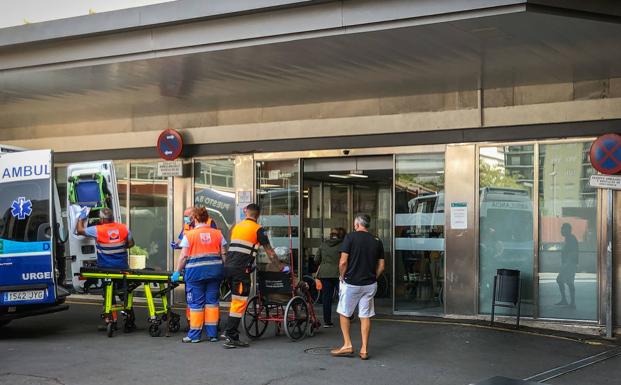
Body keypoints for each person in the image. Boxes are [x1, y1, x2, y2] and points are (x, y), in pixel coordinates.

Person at [222, 203, 277, 348]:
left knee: (235, 301)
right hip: (240, 270)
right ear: (258, 215)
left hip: (228, 267)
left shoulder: (237, 227)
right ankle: (231, 335)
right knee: (239, 303)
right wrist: (280, 265)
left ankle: (228, 330)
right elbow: (269, 252)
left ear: (246, 212)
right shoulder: (258, 229)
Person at [331, 214, 384, 361]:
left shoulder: (350, 237)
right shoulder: (377, 241)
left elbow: (343, 262)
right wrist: (374, 277)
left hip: (351, 283)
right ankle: (364, 349)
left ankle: (347, 344)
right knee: (365, 315)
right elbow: (381, 266)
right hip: (370, 284)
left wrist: (342, 276)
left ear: (357, 224)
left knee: (344, 313)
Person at [171, 207, 226, 343]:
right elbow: (224, 253)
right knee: (212, 304)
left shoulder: (189, 235)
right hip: (215, 273)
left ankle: (194, 335)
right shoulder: (218, 234)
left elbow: (183, 256)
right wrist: (224, 269)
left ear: (194, 219)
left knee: (196, 305)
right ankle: (212, 335)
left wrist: (177, 272)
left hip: (195, 275)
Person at [75, 207, 134, 325]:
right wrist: (120, 248)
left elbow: (80, 230)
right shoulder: (124, 228)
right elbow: (131, 243)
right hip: (122, 268)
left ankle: (111, 319)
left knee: (109, 293)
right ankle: (129, 319)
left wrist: (81, 217)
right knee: (124, 293)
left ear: (102, 219)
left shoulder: (97, 230)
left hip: (106, 269)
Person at [314, 227, 346, 328]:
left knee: (326, 298)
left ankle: (327, 321)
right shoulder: (343, 245)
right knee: (343, 296)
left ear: (330, 235)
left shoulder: (323, 245)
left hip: (324, 274)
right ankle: (347, 317)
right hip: (338, 273)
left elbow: (316, 259)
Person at [556, 223, 578, 309]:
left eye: (563, 229)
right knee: (562, 281)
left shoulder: (571, 239)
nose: (561, 231)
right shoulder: (568, 238)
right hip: (568, 264)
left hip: (569, 265)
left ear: (568, 230)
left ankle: (572, 303)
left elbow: (573, 253)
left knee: (567, 282)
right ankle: (565, 300)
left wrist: (566, 265)